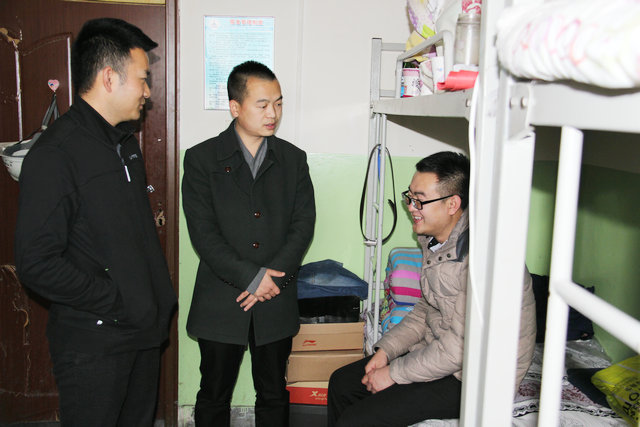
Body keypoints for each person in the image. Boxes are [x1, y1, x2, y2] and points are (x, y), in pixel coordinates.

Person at [14, 18, 177, 426]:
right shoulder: (56, 155)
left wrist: (153, 302)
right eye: (142, 79)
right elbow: (36, 263)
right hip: (95, 346)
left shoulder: (124, 146)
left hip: (141, 334)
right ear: (109, 77)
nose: (147, 91)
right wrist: (114, 300)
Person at [328, 152, 536, 426]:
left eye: (420, 200)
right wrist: (386, 351)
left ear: (452, 204)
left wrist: (393, 373)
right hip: (444, 354)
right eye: (410, 197)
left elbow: (459, 349)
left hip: (478, 376)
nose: (411, 207)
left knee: (359, 419)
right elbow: (424, 310)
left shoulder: (485, 257)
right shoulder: (436, 242)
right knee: (342, 383)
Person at [182, 60, 316, 427]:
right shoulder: (201, 159)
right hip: (222, 297)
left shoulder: (293, 159)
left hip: (275, 296)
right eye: (263, 104)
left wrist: (269, 280)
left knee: (274, 393)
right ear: (235, 107)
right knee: (214, 393)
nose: (273, 113)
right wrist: (252, 278)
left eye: (279, 103)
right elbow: (204, 235)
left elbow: (303, 225)